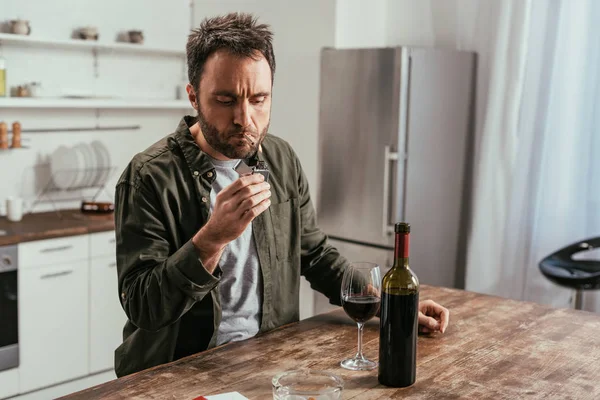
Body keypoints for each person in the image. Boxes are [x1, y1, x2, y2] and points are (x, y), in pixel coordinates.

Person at [113, 12, 449, 377]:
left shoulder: (281, 158)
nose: (245, 118)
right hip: (178, 372)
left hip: (268, 361)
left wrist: (389, 307)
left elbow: (315, 255)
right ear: (193, 96)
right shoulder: (148, 176)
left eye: (259, 98)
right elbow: (144, 306)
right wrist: (211, 239)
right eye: (226, 100)